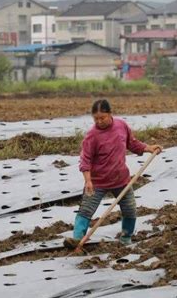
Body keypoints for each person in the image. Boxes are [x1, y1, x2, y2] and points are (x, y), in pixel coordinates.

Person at [66, 99, 162, 247]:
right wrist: (88, 180)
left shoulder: (121, 126)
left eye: (102, 118)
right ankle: (77, 240)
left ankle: (126, 237)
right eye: (96, 119)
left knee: (130, 209)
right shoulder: (92, 136)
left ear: (110, 114)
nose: (99, 121)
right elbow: (85, 160)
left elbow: (132, 143)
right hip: (98, 181)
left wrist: (148, 148)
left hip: (120, 179)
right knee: (86, 210)